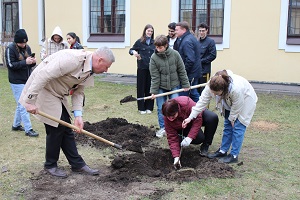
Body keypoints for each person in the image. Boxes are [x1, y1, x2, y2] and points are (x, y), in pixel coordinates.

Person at [19, 47, 115, 178]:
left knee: (66, 128)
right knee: (56, 127)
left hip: (58, 93)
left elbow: (79, 92)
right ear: (100, 60)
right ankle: (50, 165)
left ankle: (77, 164)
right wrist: (30, 100)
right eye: (106, 66)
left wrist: (78, 116)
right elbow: (43, 74)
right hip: (43, 90)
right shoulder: (72, 60)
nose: (106, 70)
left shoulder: (89, 70)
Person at [183, 70, 258, 164]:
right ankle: (222, 151)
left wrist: (233, 118)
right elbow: (201, 103)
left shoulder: (235, 89)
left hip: (245, 100)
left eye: (216, 93)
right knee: (227, 126)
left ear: (223, 90)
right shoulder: (211, 85)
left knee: (238, 127)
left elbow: (237, 105)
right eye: (212, 92)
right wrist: (190, 117)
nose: (213, 95)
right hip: (229, 101)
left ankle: (234, 155)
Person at [149, 35, 190, 138]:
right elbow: (155, 76)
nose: (158, 49)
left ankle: (176, 127)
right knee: (161, 108)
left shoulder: (175, 54)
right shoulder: (154, 58)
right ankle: (163, 128)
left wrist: (185, 84)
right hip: (160, 86)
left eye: (160, 47)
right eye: (157, 47)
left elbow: (181, 70)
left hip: (174, 85)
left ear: (166, 45)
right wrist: (154, 91)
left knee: (175, 107)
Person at [162, 96, 219, 169]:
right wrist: (176, 157)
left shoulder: (186, 103)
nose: (170, 119)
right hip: (182, 127)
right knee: (199, 138)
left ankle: (206, 145)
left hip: (195, 117)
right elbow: (171, 137)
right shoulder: (167, 118)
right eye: (168, 117)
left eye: (173, 116)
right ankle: (181, 138)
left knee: (212, 117)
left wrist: (190, 137)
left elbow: (198, 119)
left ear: (177, 110)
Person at [5, 29, 39, 137]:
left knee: (20, 103)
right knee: (23, 104)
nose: (24, 44)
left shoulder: (27, 48)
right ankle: (28, 129)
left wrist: (33, 62)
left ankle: (16, 125)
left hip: (26, 79)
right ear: (16, 41)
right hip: (16, 81)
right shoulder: (10, 49)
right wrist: (25, 62)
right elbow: (10, 65)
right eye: (21, 43)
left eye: (25, 42)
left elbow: (29, 64)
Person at [129, 24, 155, 114]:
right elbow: (131, 50)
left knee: (150, 88)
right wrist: (134, 52)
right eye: (148, 31)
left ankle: (149, 107)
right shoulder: (139, 42)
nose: (150, 33)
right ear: (145, 31)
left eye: (151, 31)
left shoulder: (154, 42)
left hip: (152, 69)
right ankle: (141, 108)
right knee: (141, 88)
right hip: (142, 68)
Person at [174, 21, 201, 103]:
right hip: (192, 73)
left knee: (187, 94)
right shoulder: (188, 38)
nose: (175, 32)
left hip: (190, 74)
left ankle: (202, 110)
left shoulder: (187, 41)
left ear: (184, 30)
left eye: (177, 30)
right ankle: (201, 109)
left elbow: (190, 59)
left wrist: (183, 72)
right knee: (193, 93)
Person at [197, 23, 217, 95]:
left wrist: (201, 61)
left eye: (203, 31)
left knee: (204, 90)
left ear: (207, 31)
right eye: (200, 31)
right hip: (197, 70)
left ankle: (205, 106)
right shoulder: (197, 41)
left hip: (205, 71)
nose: (201, 32)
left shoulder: (210, 42)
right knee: (196, 90)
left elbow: (213, 55)